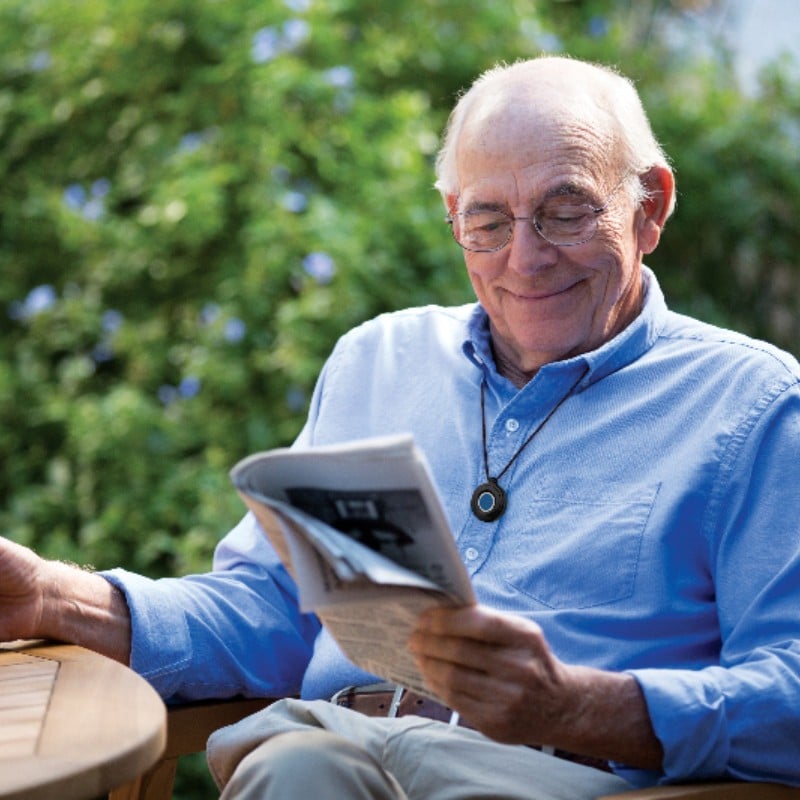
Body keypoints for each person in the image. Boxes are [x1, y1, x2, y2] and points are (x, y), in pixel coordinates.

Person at [2, 55, 799, 799]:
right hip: (338, 751)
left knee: (298, 764)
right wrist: (52, 598)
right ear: (453, 218)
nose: (525, 258)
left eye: (565, 213)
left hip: (551, 777)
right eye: (489, 221)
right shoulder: (379, 361)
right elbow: (271, 612)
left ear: (649, 207)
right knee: (303, 762)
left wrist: (581, 705)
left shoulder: (753, 405)